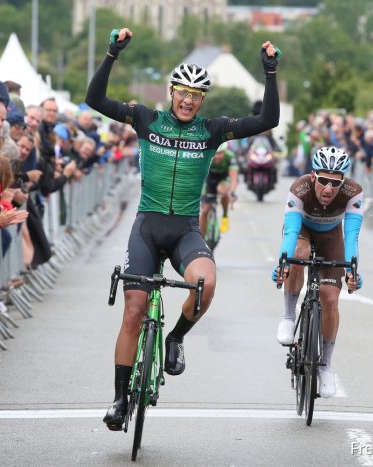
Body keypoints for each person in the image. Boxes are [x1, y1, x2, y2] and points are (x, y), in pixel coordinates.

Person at [87, 27, 281, 431]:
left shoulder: (211, 130)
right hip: (147, 227)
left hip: (185, 230)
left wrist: (270, 73)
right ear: (171, 92)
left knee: (205, 285)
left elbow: (268, 119)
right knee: (133, 313)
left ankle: (175, 338)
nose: (190, 101)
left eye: (197, 96)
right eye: (183, 93)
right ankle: (120, 399)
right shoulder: (146, 119)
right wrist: (111, 54)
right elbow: (94, 100)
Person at [271, 147, 363, 398]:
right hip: (302, 231)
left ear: (343, 181)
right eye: (323, 180)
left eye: (336, 182)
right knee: (298, 255)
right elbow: (290, 232)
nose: (329, 188)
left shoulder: (353, 192)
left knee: (330, 298)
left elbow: (352, 235)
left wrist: (353, 268)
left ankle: (325, 367)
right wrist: (283, 262)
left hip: (331, 237)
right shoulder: (299, 188)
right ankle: (289, 317)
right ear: (313, 176)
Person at [199, 142, 238, 235]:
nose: (217, 156)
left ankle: (225, 215)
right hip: (210, 178)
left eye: (220, 153)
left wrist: (232, 192)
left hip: (224, 178)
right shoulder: (206, 155)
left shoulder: (230, 157)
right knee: (204, 211)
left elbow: (233, 178)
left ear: (225, 152)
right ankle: (201, 238)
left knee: (222, 190)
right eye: (215, 153)